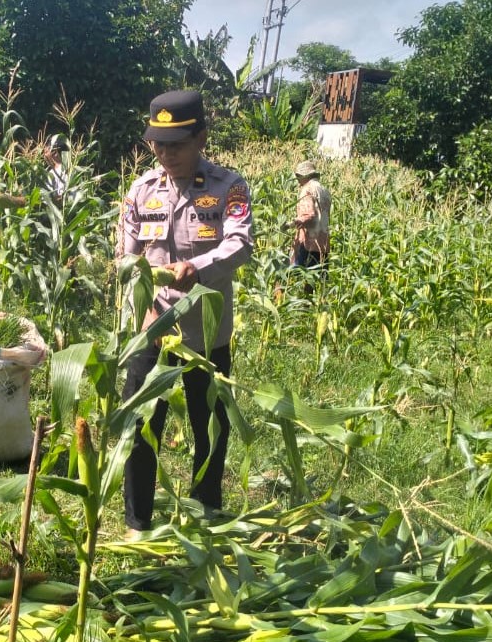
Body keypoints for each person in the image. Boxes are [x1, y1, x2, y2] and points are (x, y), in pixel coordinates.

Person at [117, 90, 253, 538]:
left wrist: (198, 268)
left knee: (209, 426)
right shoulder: (141, 190)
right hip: (150, 333)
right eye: (158, 143)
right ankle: (138, 523)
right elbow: (126, 256)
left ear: (201, 138)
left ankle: (205, 514)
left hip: (205, 333)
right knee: (140, 427)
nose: (166, 153)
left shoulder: (228, 187)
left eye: (176, 143)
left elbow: (239, 243)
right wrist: (136, 305)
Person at [282, 160, 331, 285]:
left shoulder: (307, 189)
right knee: (315, 283)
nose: (298, 180)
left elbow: (309, 215)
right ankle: (309, 304)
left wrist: (289, 225)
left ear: (304, 176)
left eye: (298, 177)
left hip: (308, 242)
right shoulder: (324, 190)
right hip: (323, 243)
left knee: (287, 275)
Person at [43, 133, 70, 202]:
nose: (44, 156)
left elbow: (62, 196)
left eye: (46, 152)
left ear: (54, 152)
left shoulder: (64, 170)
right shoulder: (51, 172)